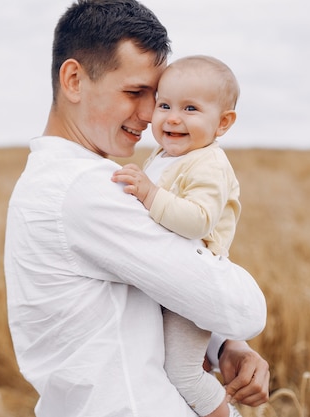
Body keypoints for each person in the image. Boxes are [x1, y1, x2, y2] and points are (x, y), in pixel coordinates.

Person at [3, 1, 270, 416]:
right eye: (134, 93)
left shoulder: (63, 180)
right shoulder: (84, 190)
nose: (149, 115)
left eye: (155, 96)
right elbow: (244, 308)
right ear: (74, 79)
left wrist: (221, 346)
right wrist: (232, 329)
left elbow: (152, 283)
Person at [111, 55, 244, 417]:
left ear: (223, 123)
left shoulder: (209, 163)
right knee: (169, 363)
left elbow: (199, 219)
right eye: (164, 104)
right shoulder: (166, 154)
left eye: (190, 108)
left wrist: (149, 194)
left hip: (194, 283)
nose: (172, 117)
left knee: (182, 372)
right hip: (171, 280)